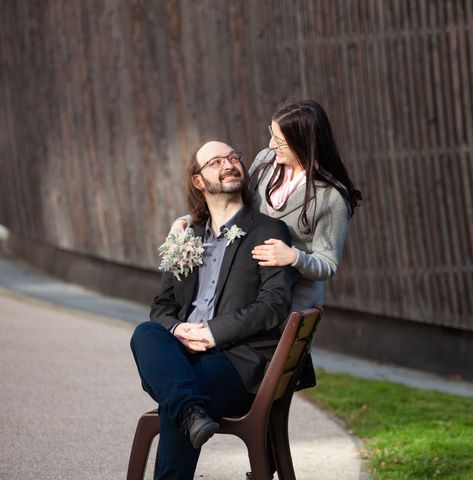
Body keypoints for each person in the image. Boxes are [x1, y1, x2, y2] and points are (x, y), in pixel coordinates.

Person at [130, 140, 298, 480]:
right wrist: (179, 330)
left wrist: (212, 333)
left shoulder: (267, 231)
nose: (230, 164)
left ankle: (188, 408)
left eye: (234, 157)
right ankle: (192, 411)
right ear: (198, 181)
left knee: (178, 397)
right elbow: (162, 306)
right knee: (145, 334)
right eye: (216, 161)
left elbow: (274, 305)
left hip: (237, 363)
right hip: (183, 355)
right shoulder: (187, 235)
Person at [172, 97, 362, 312]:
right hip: (240, 291)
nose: (272, 145)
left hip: (286, 304)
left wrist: (294, 257)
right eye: (271, 134)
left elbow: (327, 264)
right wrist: (190, 220)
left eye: (280, 141)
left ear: (303, 142)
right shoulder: (266, 161)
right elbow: (232, 203)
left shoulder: (332, 197)